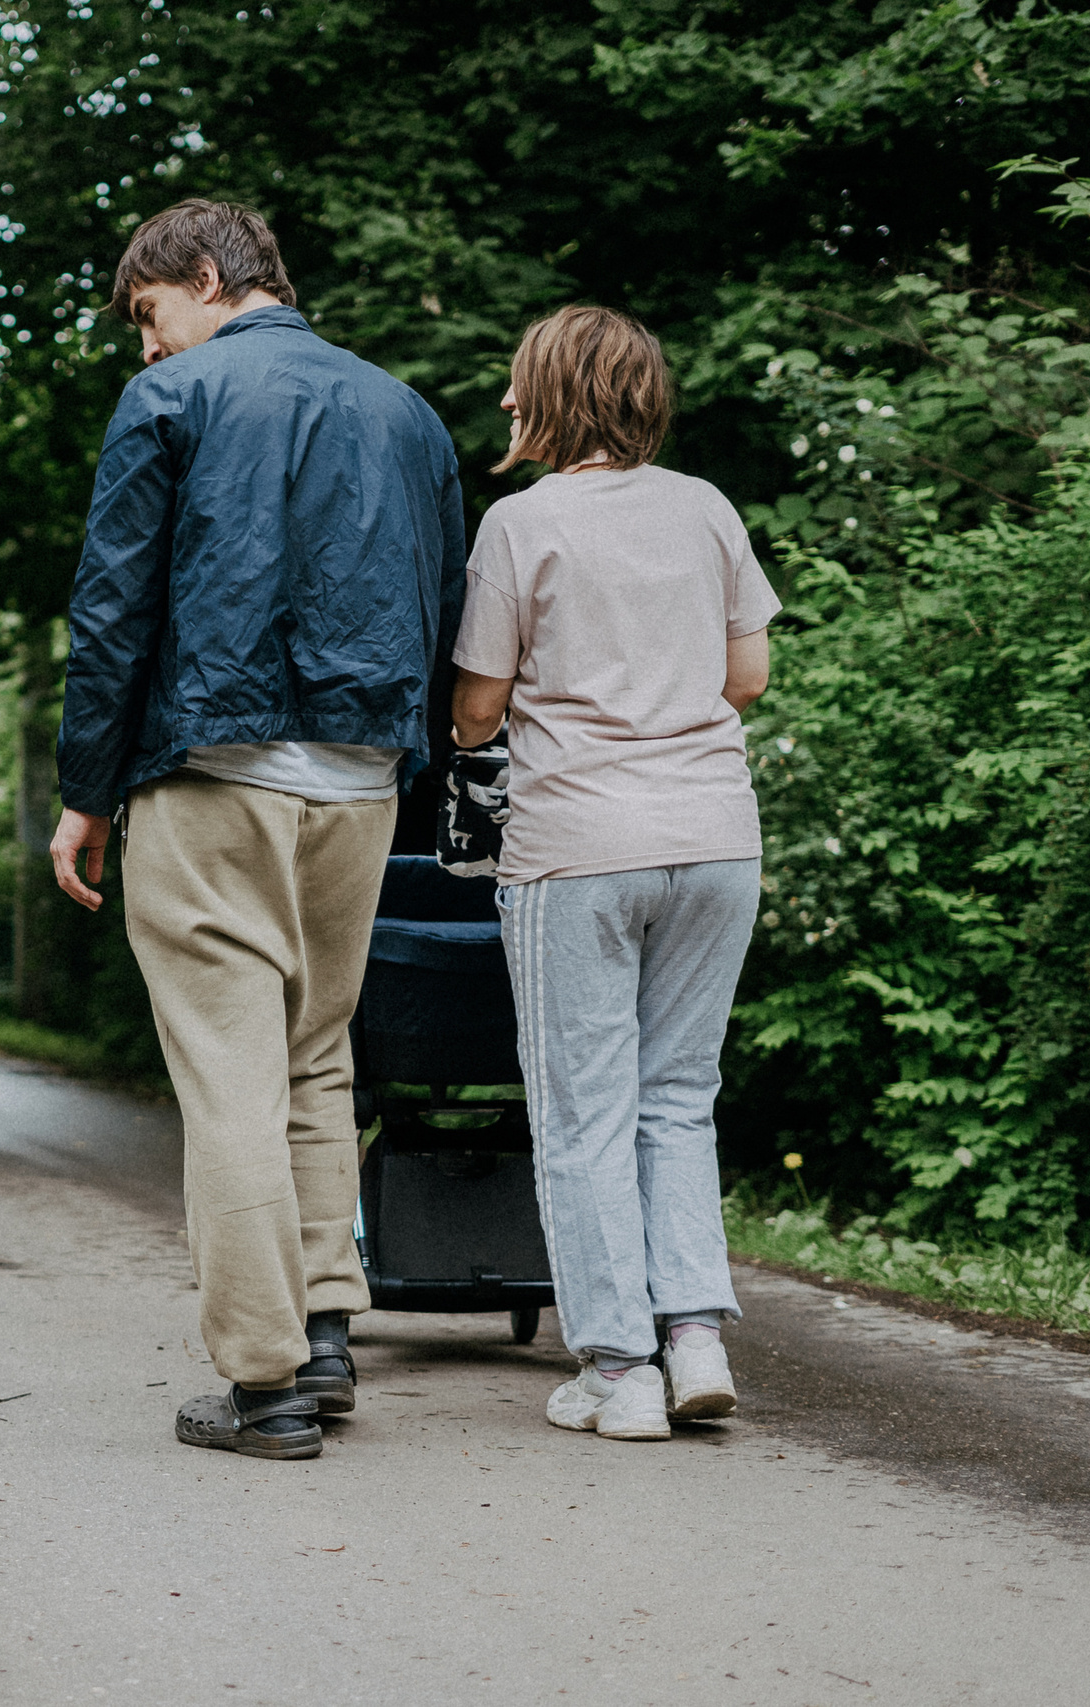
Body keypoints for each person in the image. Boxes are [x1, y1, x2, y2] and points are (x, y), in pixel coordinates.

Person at [50, 199, 468, 1461]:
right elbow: (444, 602)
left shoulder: (171, 401)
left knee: (230, 1068)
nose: (144, 344)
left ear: (202, 274)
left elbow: (114, 608)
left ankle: (265, 1381)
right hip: (362, 776)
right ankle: (327, 1329)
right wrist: (414, 761)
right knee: (315, 1053)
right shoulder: (405, 412)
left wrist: (86, 790)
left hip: (212, 766)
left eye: (147, 313)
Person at [449, 305, 778, 1442]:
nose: (505, 402)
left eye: (518, 382)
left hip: (579, 849)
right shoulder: (706, 508)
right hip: (716, 839)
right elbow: (747, 677)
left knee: (583, 1111)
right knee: (678, 1098)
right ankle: (695, 1339)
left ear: (558, 396)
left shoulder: (519, 523)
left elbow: (478, 706)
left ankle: (618, 1369)